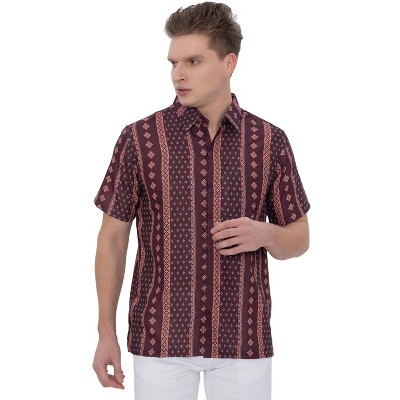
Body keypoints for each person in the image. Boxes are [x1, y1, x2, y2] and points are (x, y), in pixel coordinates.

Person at [92, 2, 310, 399]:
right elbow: (112, 239)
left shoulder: (269, 141)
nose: (179, 74)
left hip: (242, 339)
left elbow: (300, 238)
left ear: (228, 63)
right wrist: (106, 331)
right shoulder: (140, 139)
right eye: (174, 62)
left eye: (193, 61)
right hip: (160, 338)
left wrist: (265, 234)